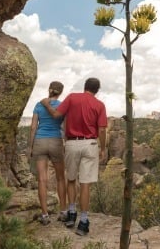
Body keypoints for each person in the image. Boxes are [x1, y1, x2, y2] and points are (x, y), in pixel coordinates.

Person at [41, 78, 107, 236]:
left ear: (85, 87)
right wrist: (103, 148)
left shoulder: (72, 97)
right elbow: (103, 129)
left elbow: (57, 115)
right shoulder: (99, 105)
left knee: (71, 180)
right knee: (85, 184)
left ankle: (71, 213)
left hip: (71, 144)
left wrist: (46, 104)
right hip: (90, 144)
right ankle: (83, 222)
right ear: (97, 90)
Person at [29, 81, 67, 225]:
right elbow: (64, 126)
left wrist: (30, 147)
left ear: (49, 90)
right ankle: (63, 211)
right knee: (60, 178)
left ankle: (45, 215)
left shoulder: (39, 105)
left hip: (40, 141)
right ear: (60, 92)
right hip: (55, 141)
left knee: (42, 180)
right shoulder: (63, 106)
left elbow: (33, 127)